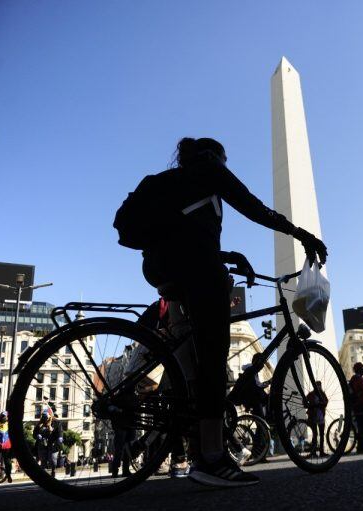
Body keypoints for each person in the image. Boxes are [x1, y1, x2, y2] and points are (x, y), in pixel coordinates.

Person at [120, 137, 327, 486]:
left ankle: (193, 436)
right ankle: (211, 459)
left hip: (162, 267)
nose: (227, 164)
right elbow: (255, 208)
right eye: (225, 159)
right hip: (193, 269)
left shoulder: (179, 183)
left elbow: (186, 238)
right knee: (214, 357)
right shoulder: (210, 172)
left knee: (193, 366)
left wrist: (229, 257)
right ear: (215, 156)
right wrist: (302, 234)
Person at [33, 406, 63, 477]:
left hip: (53, 444)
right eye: (43, 416)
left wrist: (59, 439)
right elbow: (34, 434)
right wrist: (37, 436)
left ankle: (53, 470)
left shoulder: (57, 422)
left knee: (52, 460)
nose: (44, 418)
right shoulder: (40, 423)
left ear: (50, 416)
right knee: (43, 461)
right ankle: (44, 475)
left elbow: (60, 433)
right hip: (42, 444)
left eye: (46, 416)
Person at [305, 381, 328, 457]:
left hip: (321, 416)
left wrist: (321, 404)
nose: (318, 387)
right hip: (313, 416)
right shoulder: (311, 394)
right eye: (317, 385)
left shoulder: (322, 394)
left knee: (321, 434)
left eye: (319, 385)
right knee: (315, 434)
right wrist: (310, 405)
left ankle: (321, 451)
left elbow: (326, 402)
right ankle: (313, 452)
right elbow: (304, 401)